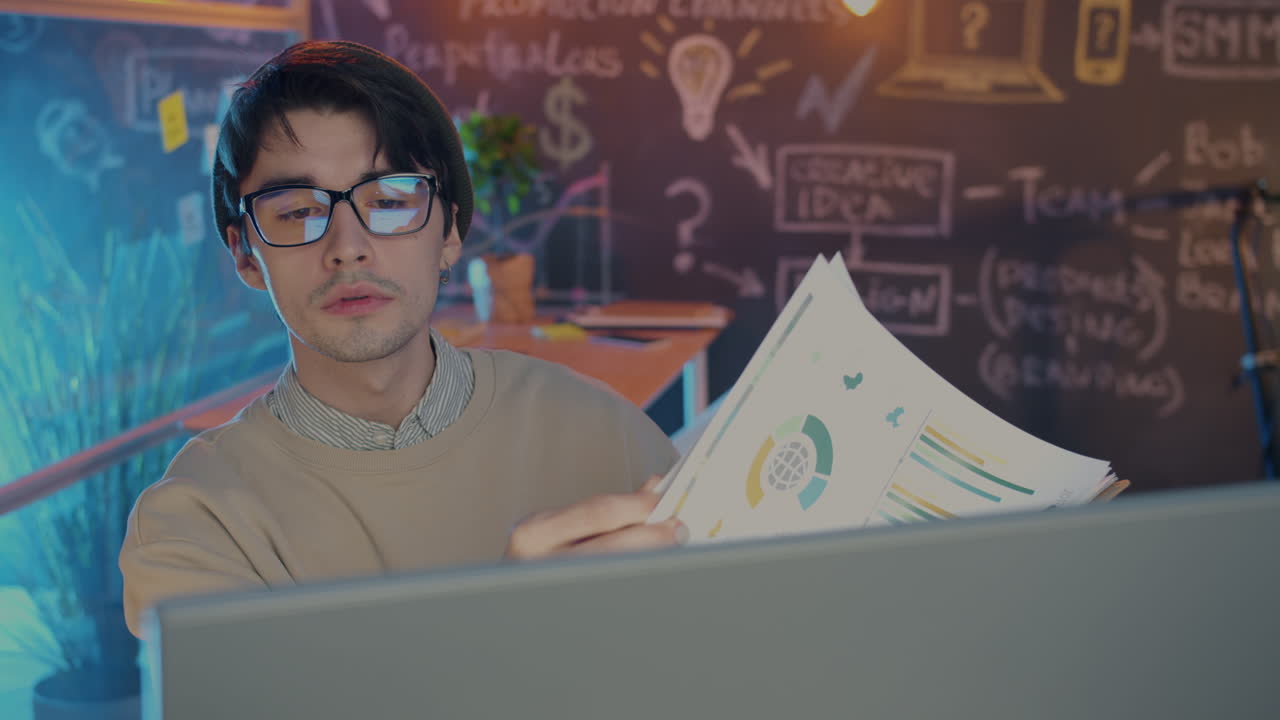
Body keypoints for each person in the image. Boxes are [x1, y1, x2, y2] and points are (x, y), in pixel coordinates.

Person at [118, 40, 686, 638]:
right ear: (245, 254)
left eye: (388, 200)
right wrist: (507, 634)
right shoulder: (197, 524)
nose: (347, 246)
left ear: (448, 232)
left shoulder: (601, 432)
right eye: (297, 212)